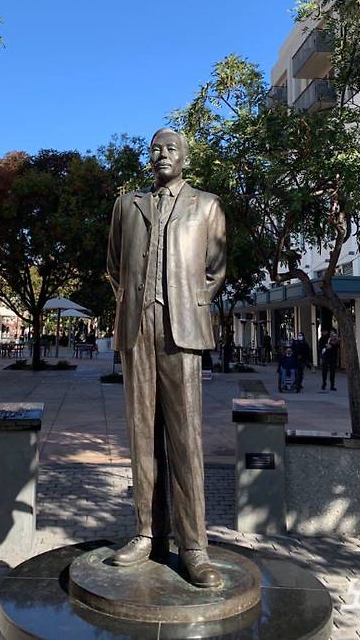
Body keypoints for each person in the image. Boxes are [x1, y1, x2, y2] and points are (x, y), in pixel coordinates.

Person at [107, 127, 226, 588]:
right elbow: (115, 263)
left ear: (185, 158)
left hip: (183, 330)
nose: (161, 155)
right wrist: (131, 305)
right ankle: (145, 534)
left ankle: (194, 546)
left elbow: (215, 268)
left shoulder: (207, 205)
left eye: (170, 149)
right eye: (155, 149)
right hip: (137, 328)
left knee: (185, 437)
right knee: (140, 434)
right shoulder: (127, 205)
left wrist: (190, 302)